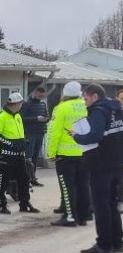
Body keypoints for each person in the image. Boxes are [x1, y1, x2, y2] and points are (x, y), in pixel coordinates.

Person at [71, 84, 123, 253]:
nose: (85, 102)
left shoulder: (98, 111)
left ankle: (104, 245)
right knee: (112, 204)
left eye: (85, 98)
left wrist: (76, 136)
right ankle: (117, 242)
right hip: (117, 164)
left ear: (94, 96)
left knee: (101, 206)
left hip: (101, 164)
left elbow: (95, 136)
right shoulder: (117, 108)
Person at [47, 81, 90, 227]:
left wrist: (51, 153)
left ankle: (70, 217)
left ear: (65, 93)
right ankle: (83, 216)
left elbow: (54, 132)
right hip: (85, 152)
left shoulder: (61, 108)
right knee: (83, 185)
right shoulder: (86, 106)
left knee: (67, 186)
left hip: (65, 154)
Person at [0, 92, 39, 214]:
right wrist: (11, 144)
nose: (22, 106)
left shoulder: (17, 116)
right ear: (15, 104)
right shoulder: (0, 116)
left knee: (24, 179)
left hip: (19, 154)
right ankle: (2, 205)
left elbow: (17, 133)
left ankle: (24, 203)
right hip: (5, 154)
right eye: (21, 103)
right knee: (3, 179)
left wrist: (23, 141)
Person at [21, 86, 49, 186]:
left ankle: (33, 178)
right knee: (29, 156)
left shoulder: (43, 104)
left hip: (40, 133)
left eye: (42, 96)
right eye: (39, 95)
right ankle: (26, 179)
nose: (41, 97)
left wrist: (46, 119)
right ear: (34, 93)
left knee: (36, 157)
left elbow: (46, 115)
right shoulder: (26, 104)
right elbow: (22, 119)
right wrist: (36, 118)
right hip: (30, 133)